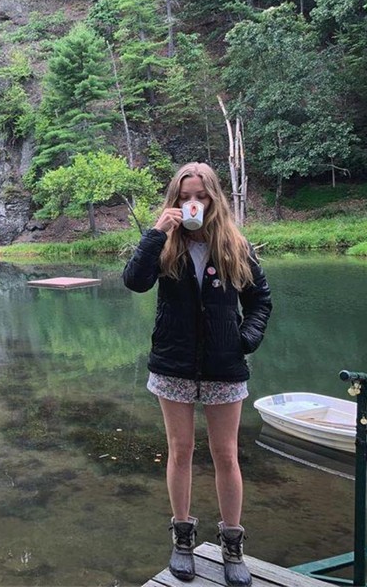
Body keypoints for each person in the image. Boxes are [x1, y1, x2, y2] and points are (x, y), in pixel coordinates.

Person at [123, 162, 272, 587]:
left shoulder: (235, 245)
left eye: (201, 196)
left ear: (213, 199)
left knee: (226, 455)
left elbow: (261, 301)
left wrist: (243, 340)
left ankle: (232, 545)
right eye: (185, 196)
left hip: (225, 366)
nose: (193, 204)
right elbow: (134, 282)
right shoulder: (164, 244)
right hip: (173, 364)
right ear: (175, 200)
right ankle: (183, 539)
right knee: (180, 450)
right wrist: (156, 233)